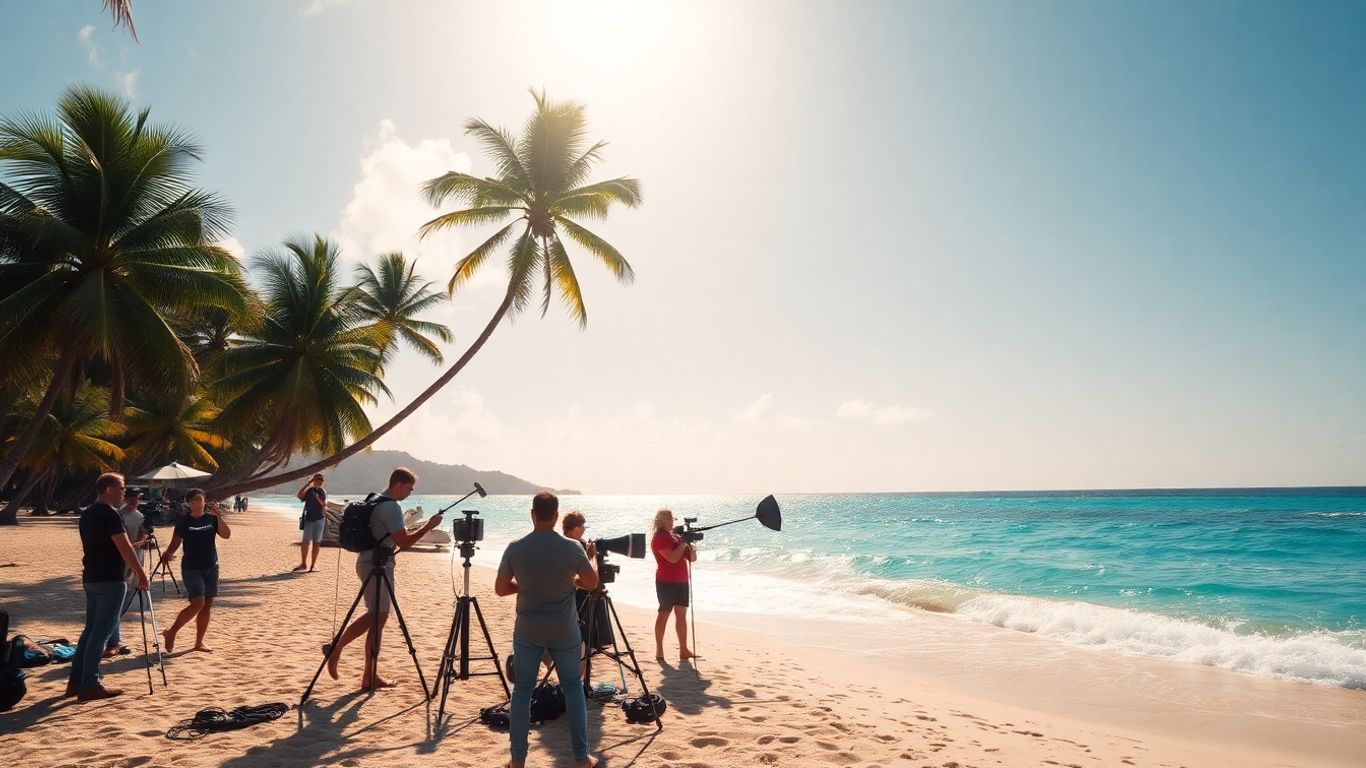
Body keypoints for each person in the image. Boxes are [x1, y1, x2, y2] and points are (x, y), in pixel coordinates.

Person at [495, 492, 600, 768]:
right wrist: (590, 560)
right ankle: (581, 758)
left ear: (532, 514)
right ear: (555, 516)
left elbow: (501, 588)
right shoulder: (572, 548)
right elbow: (591, 583)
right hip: (564, 629)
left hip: (528, 629)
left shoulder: (515, 548)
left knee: (522, 691)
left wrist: (527, 586)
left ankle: (518, 760)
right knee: (573, 688)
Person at [324, 467, 442, 690]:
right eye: (409, 488)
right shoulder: (391, 507)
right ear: (398, 484)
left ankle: (370, 676)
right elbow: (403, 543)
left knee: (378, 617)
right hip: (376, 565)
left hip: (368, 561)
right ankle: (337, 647)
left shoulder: (374, 500)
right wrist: (428, 526)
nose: (410, 492)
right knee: (377, 615)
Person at [66, 473, 149, 701]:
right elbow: (124, 547)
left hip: (92, 576)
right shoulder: (109, 514)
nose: (124, 493)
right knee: (101, 631)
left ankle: (76, 682)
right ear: (110, 489)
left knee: (91, 630)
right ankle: (90, 683)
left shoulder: (88, 513)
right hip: (110, 577)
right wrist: (141, 573)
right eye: (122, 488)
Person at [156, 488, 231, 653]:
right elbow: (175, 542)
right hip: (191, 568)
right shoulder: (184, 522)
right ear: (188, 503)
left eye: (200, 499)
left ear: (204, 501)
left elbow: (226, 535)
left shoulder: (212, 519)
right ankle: (172, 632)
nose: (197, 502)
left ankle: (199, 643)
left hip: (211, 566)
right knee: (198, 603)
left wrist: (218, 515)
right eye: (193, 500)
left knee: (206, 606)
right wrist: (167, 554)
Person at [104, 486, 148, 659]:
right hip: (120, 562)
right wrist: (134, 544)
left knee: (124, 601)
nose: (134, 500)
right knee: (116, 604)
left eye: (137, 497)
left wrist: (143, 540)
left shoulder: (140, 516)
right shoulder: (117, 514)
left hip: (137, 560)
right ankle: (113, 642)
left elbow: (141, 539)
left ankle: (114, 640)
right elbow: (118, 541)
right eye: (131, 497)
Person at [651, 508, 697, 661]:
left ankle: (684, 650)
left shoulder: (676, 536)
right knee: (664, 614)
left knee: (681, 616)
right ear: (661, 521)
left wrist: (691, 546)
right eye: (669, 519)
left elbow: (692, 559)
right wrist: (683, 543)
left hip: (682, 581)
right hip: (666, 582)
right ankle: (659, 649)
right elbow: (672, 558)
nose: (672, 522)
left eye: (672, 519)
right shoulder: (659, 538)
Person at [294, 473, 328, 572]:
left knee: (316, 542)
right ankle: (304, 564)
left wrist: (318, 499)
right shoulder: (310, 490)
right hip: (309, 518)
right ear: (314, 480)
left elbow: (324, 504)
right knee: (306, 541)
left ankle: (312, 565)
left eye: (321, 480)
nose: (320, 482)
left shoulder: (322, 491)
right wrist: (307, 484)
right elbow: (299, 495)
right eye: (318, 480)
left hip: (319, 519)